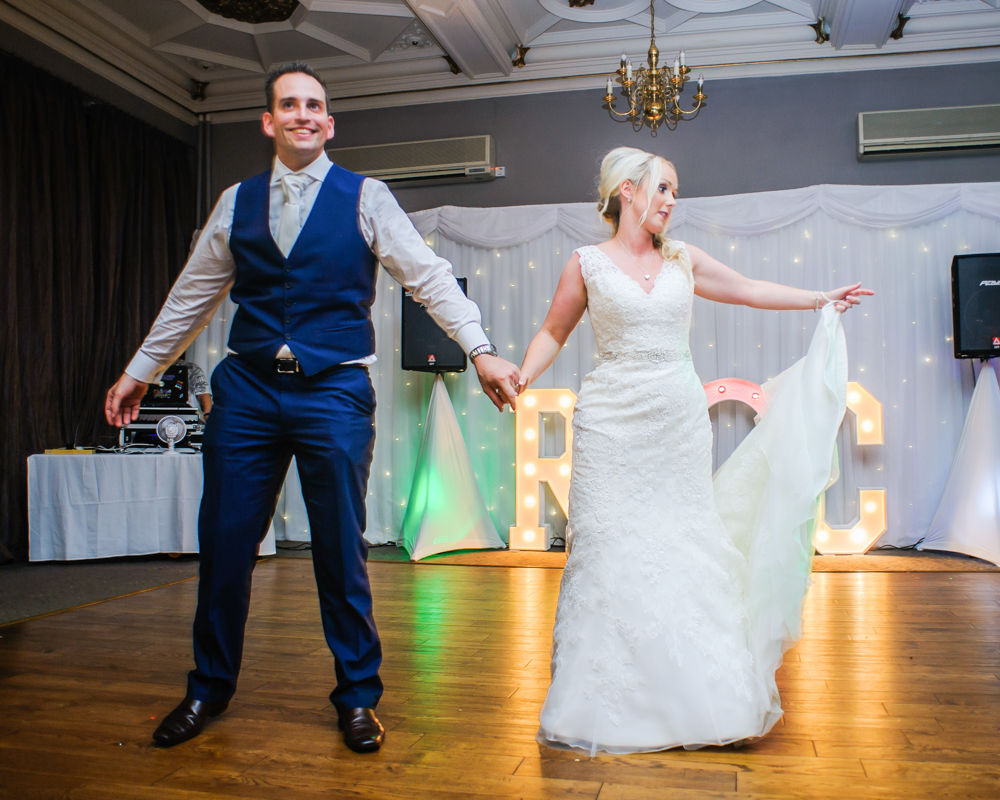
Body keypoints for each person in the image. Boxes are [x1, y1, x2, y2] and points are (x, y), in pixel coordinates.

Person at [104, 61, 520, 753]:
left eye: (315, 105)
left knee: (340, 549)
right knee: (226, 546)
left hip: (334, 390)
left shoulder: (368, 196)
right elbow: (193, 294)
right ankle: (208, 687)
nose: (303, 114)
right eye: (288, 105)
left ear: (329, 122)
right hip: (249, 390)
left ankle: (357, 697)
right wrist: (140, 371)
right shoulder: (236, 202)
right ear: (269, 121)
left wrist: (480, 348)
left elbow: (427, 276)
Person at [517, 146, 872, 755]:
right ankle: (600, 702)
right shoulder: (586, 264)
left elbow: (748, 289)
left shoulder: (682, 260)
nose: (671, 201)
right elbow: (554, 330)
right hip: (609, 423)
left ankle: (700, 698)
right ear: (626, 191)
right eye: (663, 189)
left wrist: (819, 299)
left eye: (674, 192)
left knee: (679, 546)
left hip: (676, 423)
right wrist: (522, 377)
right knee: (607, 548)